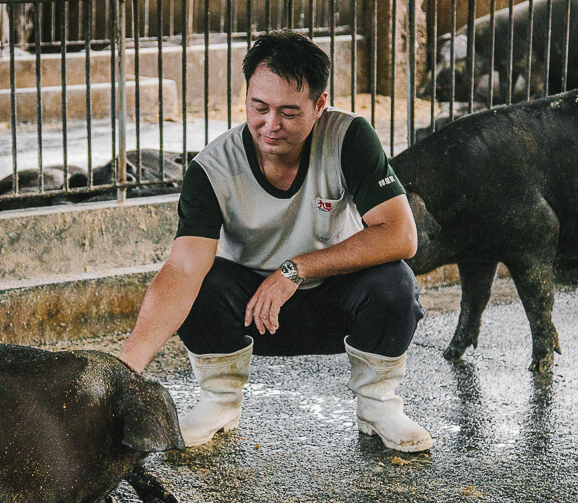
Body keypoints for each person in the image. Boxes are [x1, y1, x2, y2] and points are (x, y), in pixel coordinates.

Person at [119, 29, 431, 453]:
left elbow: (401, 234)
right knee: (201, 286)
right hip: (251, 311)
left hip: (333, 304)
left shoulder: (350, 138)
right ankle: (219, 402)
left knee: (396, 283)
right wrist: (124, 370)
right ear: (246, 96)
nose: (270, 125)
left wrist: (296, 268)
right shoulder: (211, 168)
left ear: (320, 105)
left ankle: (378, 406)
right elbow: (182, 269)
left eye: (288, 112)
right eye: (258, 107)